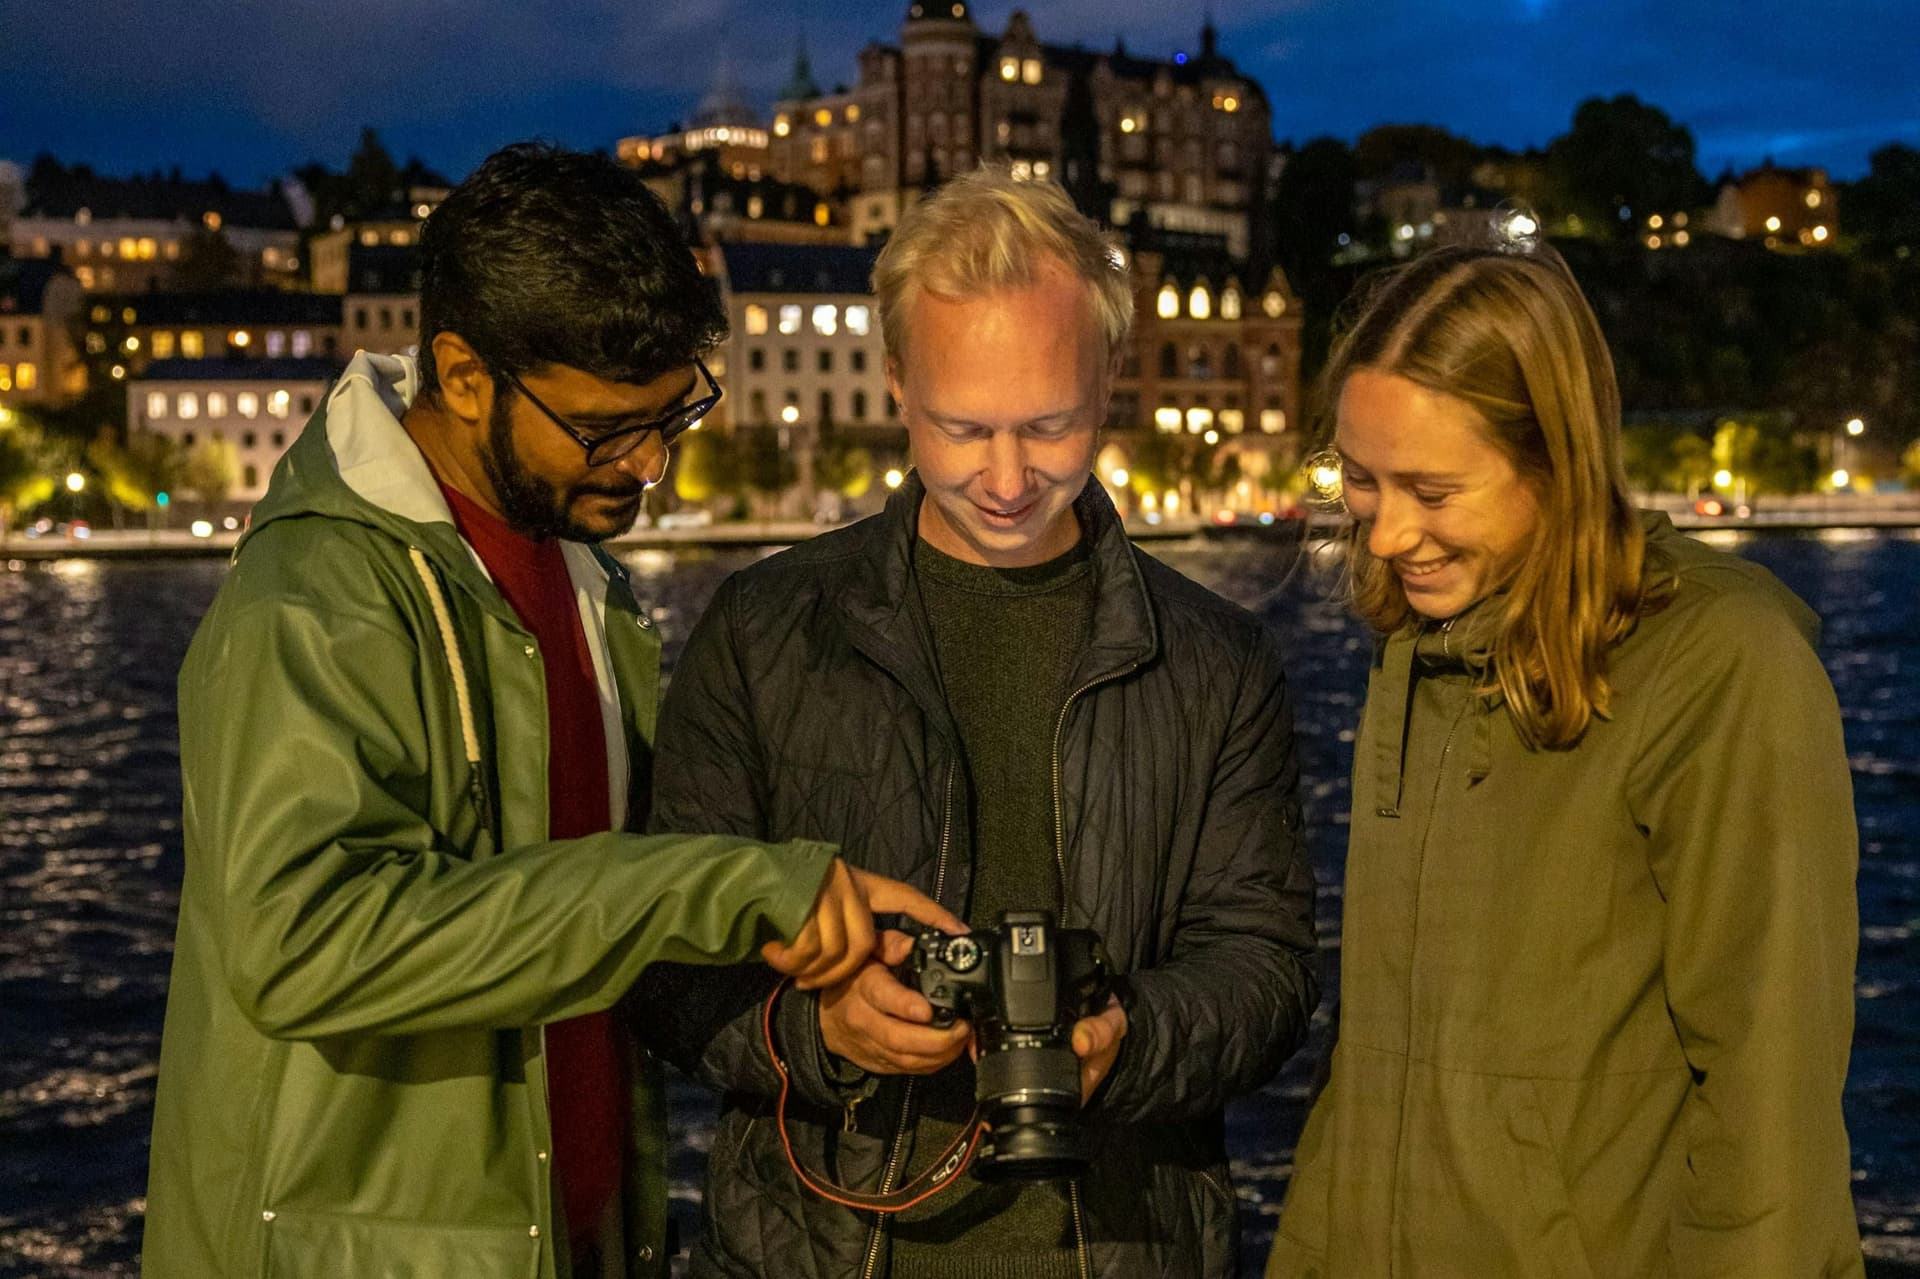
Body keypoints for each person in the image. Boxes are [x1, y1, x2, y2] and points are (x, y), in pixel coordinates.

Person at [142, 143, 956, 1279]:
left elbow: (592, 909)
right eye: (604, 429)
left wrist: (816, 972)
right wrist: (723, 886)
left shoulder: (579, 575)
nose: (649, 466)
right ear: (465, 375)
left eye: (673, 418)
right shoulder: (314, 597)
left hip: (570, 1235)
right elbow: (307, 943)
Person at [627, 167, 1318, 1278]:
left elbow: (1268, 972)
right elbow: (661, 958)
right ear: (897, 384)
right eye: (962, 428)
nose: (1005, 478)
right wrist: (820, 1032)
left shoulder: (1220, 659)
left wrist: (1124, 1040)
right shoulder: (759, 629)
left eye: (1048, 426)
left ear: (1107, 387)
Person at [1268, 224, 1862, 1277]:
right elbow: (1372, 1063)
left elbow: (1769, 1103)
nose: (1388, 533)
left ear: (1560, 461)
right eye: (1359, 478)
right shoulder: (1420, 644)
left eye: (1433, 492)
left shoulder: (1726, 665)